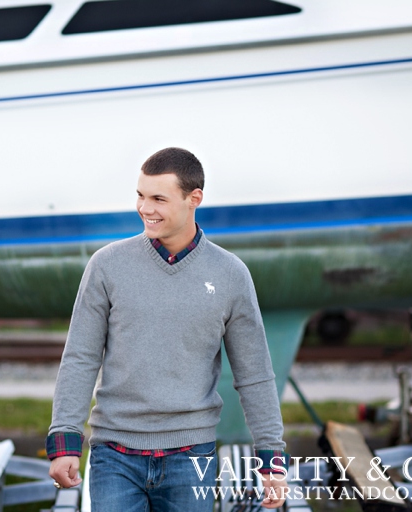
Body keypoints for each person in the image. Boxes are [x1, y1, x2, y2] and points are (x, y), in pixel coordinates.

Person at [46, 147, 288, 511]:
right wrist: (65, 438)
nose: (145, 208)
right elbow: (80, 357)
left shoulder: (230, 274)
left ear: (194, 199)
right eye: (141, 196)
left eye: (158, 198)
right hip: (114, 455)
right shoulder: (107, 266)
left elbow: (254, 373)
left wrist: (271, 459)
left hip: (192, 458)